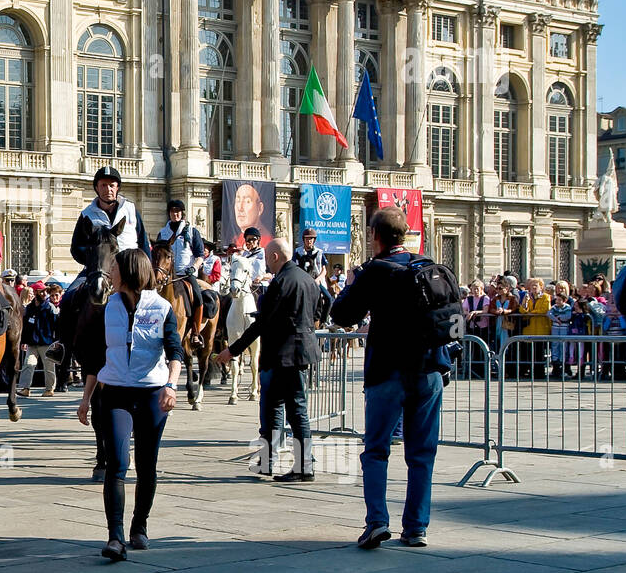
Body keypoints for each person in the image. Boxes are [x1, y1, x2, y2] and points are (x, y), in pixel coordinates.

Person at [330, 206, 455, 549]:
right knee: (421, 453)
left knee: (376, 451)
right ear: (406, 235)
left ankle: (377, 522)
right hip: (429, 370)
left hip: (387, 372)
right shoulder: (429, 267)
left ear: (375, 236)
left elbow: (341, 315)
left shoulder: (374, 271)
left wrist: (352, 284)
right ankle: (416, 527)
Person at [76, 248, 183, 562]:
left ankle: (140, 525)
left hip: (152, 394)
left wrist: (172, 386)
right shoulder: (106, 307)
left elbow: (175, 351)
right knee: (117, 464)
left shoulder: (162, 307)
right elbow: (97, 357)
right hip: (115, 394)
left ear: (129, 271)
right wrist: (85, 398)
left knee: (147, 466)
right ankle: (115, 537)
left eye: (114, 267)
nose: (110, 272)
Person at [221, 238, 323, 480]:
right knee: (286, 409)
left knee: (283, 410)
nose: (265, 262)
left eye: (267, 257)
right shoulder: (308, 279)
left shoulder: (281, 282)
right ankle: (272, 461)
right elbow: (322, 307)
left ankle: (301, 466)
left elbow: (262, 324)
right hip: (300, 353)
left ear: (275, 256)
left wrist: (232, 350)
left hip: (280, 355)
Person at [47, 166, 150, 366]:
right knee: (68, 297)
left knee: (154, 300)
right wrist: (94, 258)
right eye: (103, 185)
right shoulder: (87, 214)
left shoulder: (131, 210)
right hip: (96, 270)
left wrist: (147, 272)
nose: (108, 189)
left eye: (112, 185)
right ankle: (62, 346)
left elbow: (144, 244)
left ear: (118, 187)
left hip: (129, 270)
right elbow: (76, 248)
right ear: (96, 188)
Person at [156, 200, 207, 349]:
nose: (175, 214)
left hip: (185, 273)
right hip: (166, 275)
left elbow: (199, 255)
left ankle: (196, 333)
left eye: (178, 211)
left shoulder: (192, 231)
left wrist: (194, 267)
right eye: (172, 211)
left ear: (182, 213)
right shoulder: (163, 233)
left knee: (197, 297)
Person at [18, 280, 58, 397]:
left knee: (49, 367)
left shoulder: (50, 307)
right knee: (28, 365)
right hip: (32, 343)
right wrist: (24, 341)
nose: (45, 294)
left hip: (47, 342)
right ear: (35, 293)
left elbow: (56, 325)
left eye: (45, 291)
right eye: (42, 292)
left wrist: (56, 341)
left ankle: (49, 389)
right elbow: (26, 326)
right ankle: (25, 388)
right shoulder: (29, 308)